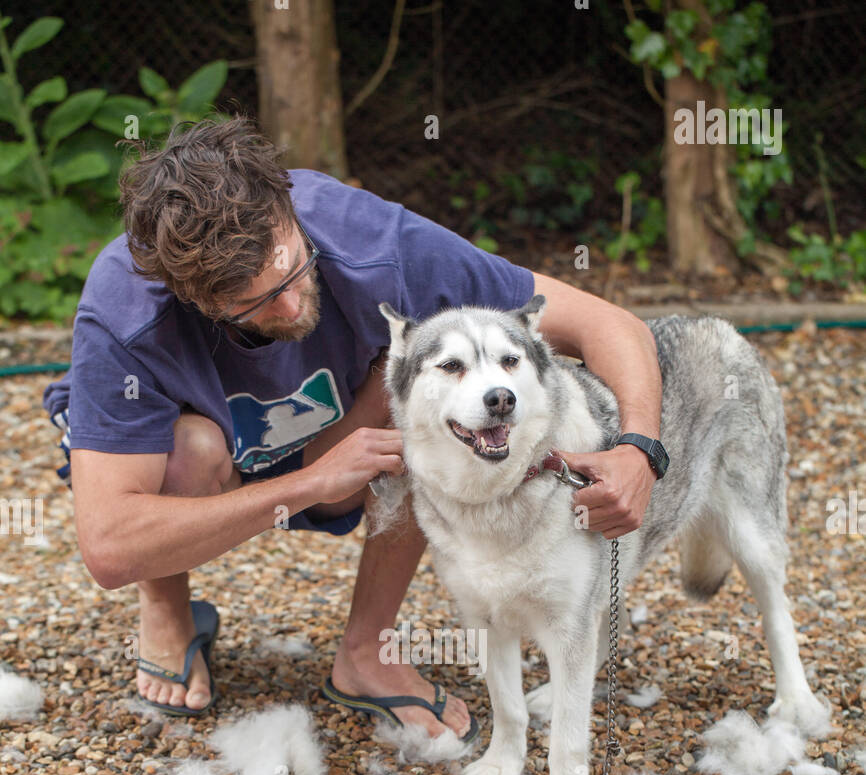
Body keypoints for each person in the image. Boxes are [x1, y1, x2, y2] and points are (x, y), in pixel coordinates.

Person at [43, 116, 662, 732]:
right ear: (191, 296)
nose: (290, 308)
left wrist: (638, 449)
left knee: (433, 404)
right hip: (218, 451)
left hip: (343, 427)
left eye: (290, 271)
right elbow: (109, 546)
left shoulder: (377, 243)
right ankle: (168, 608)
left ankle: (366, 652)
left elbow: (610, 326)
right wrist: (308, 485)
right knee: (187, 450)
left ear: (287, 205)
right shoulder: (126, 312)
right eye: (253, 303)